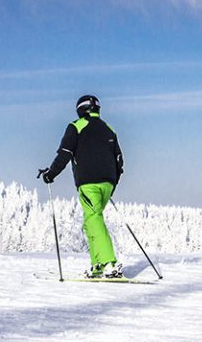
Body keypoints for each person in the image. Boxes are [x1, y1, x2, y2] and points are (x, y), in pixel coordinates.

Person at [38, 95, 124, 278]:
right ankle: (97, 264)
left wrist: (50, 174)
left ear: (80, 109)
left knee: (93, 219)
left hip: (88, 183)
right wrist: (112, 182)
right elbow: (119, 160)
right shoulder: (109, 129)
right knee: (90, 222)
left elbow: (64, 154)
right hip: (108, 183)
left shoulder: (76, 126)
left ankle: (110, 263)